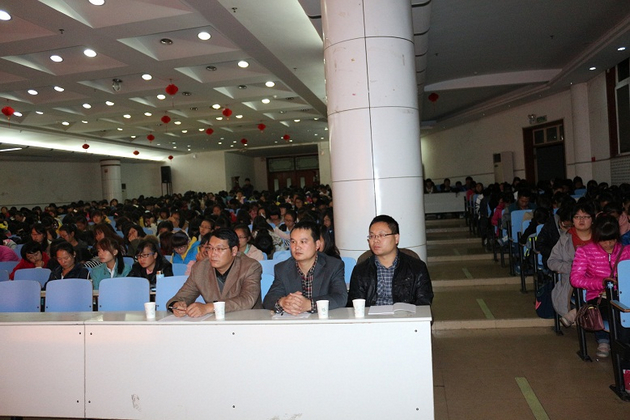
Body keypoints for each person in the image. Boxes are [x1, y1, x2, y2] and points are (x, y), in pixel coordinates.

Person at [571, 214, 630, 358]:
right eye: (604, 240)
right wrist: (601, 282)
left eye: (612, 240)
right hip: (599, 297)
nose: (608, 244)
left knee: (623, 312)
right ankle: (624, 357)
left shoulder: (626, 251)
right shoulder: (585, 252)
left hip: (625, 296)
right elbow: (575, 279)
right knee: (620, 316)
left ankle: (623, 353)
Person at [167, 228, 262, 317]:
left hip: (246, 320)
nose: (213, 254)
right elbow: (180, 297)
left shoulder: (250, 267)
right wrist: (176, 305)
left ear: (234, 251)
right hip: (214, 322)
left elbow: (247, 299)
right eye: (210, 248)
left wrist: (209, 307)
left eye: (219, 249)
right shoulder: (200, 268)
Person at [263, 221, 347, 315]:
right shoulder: (283, 269)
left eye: (303, 242)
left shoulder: (333, 266)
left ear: (317, 245)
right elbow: (269, 299)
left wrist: (309, 304)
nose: (297, 247)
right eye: (293, 242)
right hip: (294, 321)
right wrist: (283, 301)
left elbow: (341, 298)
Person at [348, 215, 433, 306]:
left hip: (405, 314)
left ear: (396, 238)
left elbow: (424, 302)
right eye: (372, 236)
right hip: (371, 315)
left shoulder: (417, 267)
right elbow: (355, 304)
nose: (375, 240)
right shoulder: (360, 270)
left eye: (382, 235)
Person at [547, 202, 594, 327]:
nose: (581, 220)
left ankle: (578, 311)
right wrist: (573, 267)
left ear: (592, 219)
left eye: (586, 217)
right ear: (572, 220)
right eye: (577, 217)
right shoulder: (565, 239)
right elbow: (551, 262)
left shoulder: (600, 238)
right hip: (572, 282)